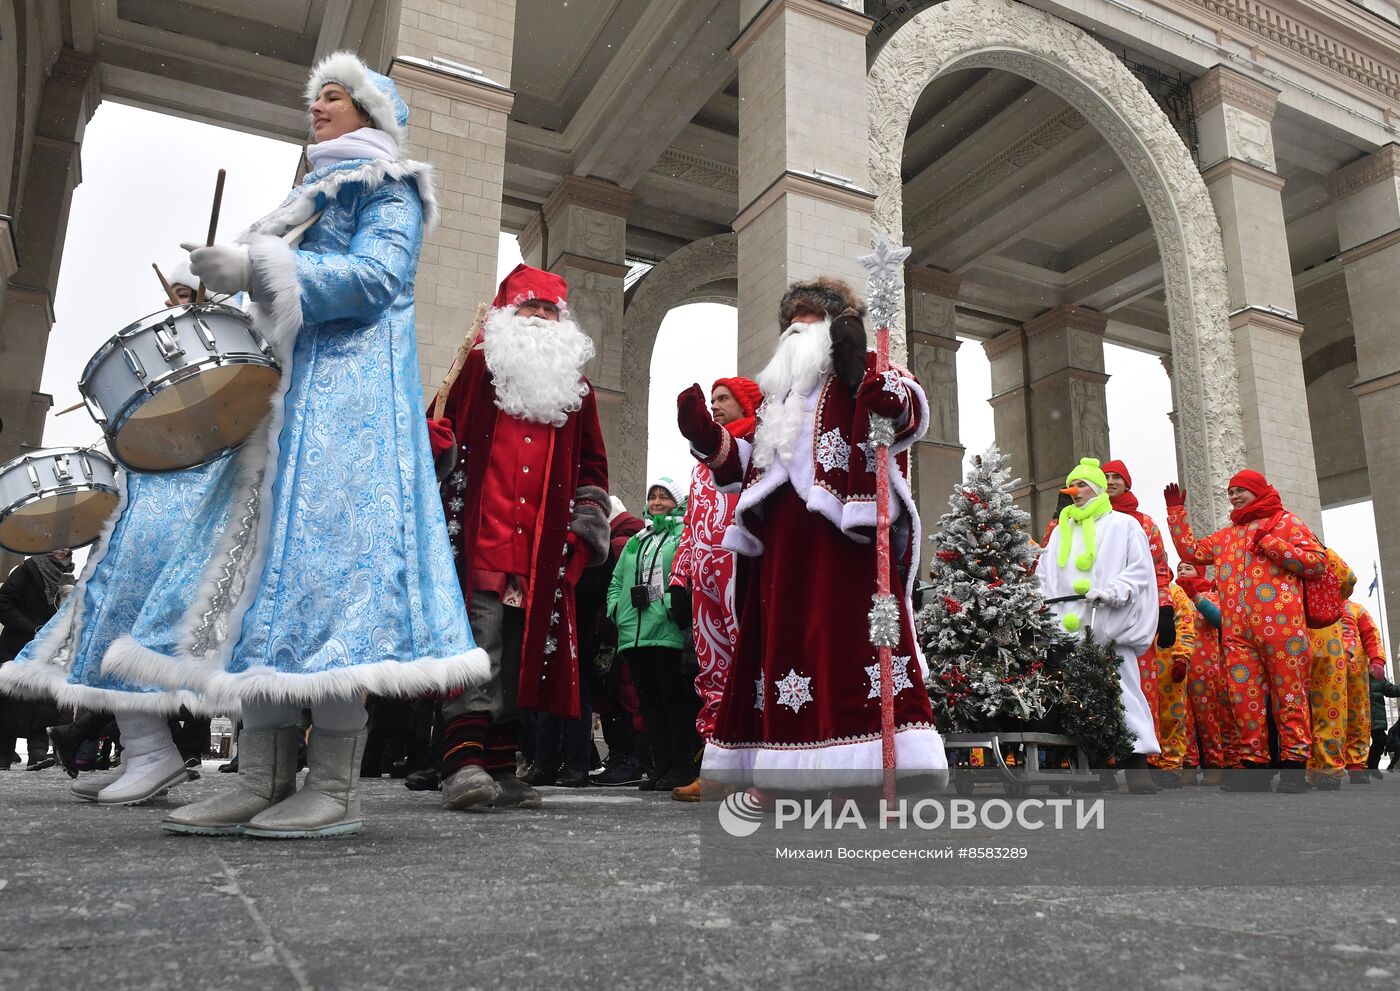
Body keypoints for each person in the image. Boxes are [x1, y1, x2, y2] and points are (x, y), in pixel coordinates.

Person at [11, 52, 487, 837]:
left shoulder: (389, 187)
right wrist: (226, 285)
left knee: (334, 592)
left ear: (371, 113)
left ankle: (334, 783)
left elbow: (373, 279)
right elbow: (271, 295)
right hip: (280, 421)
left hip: (344, 418)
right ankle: (263, 773)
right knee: (255, 593)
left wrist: (260, 263)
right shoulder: (301, 202)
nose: (320, 107)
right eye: (317, 97)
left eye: (335, 96)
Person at [675, 278, 946, 795]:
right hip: (779, 546)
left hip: (841, 541)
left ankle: (871, 769)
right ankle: (781, 770)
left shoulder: (867, 368)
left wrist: (863, 376)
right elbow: (751, 465)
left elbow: (906, 410)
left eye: (810, 322)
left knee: (843, 646)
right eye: (791, 324)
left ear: (834, 329)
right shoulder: (780, 395)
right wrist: (708, 440)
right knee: (781, 653)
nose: (796, 332)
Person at [426, 263, 610, 812]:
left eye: (549, 310)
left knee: (522, 659)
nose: (539, 318)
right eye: (530, 307)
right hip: (479, 539)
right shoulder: (476, 369)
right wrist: (433, 444)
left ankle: (501, 765)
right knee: (479, 648)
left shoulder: (577, 392)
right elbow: (442, 438)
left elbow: (592, 470)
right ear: (507, 313)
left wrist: (585, 531)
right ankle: (463, 764)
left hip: (542, 551)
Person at [1165, 470, 1325, 793]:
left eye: (1241, 491)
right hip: (1237, 632)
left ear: (1258, 491)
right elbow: (1192, 552)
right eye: (1231, 492)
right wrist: (1176, 515)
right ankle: (1255, 768)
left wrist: (1273, 546)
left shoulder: (1285, 523)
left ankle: (1294, 768)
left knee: (1289, 697)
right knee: (1244, 699)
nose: (1235, 496)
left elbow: (1317, 562)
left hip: (1282, 630)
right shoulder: (1225, 537)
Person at [1038, 458, 1161, 793]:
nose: (1074, 492)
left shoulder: (1124, 525)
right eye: (1071, 486)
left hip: (1110, 627)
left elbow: (1139, 570)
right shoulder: (1061, 530)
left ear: (1096, 488)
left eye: (1080, 485)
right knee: (1076, 700)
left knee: (1124, 694)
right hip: (1069, 631)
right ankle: (1091, 771)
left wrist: (1112, 592)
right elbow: (1044, 574)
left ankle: (1138, 767)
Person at [667, 376, 760, 802]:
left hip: (742, 574)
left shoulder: (756, 451)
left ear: (747, 404)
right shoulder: (700, 464)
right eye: (714, 399)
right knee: (712, 671)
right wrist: (680, 577)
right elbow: (691, 524)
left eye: (725, 399)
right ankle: (717, 768)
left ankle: (762, 767)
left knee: (751, 668)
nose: (716, 405)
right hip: (705, 580)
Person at [607, 478, 696, 791]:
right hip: (634, 632)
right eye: (653, 497)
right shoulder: (637, 540)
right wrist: (615, 609)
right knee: (649, 704)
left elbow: (688, 574)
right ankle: (659, 768)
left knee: (674, 700)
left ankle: (682, 767)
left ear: (677, 502)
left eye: (664, 497)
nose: (657, 502)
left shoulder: (683, 534)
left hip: (667, 630)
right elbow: (617, 580)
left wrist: (673, 605)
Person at [1101, 460, 1176, 783]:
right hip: (1101, 615)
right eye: (1105, 477)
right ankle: (1104, 756)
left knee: (1144, 690)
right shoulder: (1093, 523)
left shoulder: (1144, 524)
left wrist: (1165, 609)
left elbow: (1160, 569)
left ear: (1127, 483)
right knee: (1101, 688)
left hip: (1137, 619)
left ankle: (1147, 759)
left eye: (1117, 477)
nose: (1110, 482)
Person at [0, 550, 74, 768]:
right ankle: (3, 754)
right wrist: (32, 628)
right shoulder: (27, 570)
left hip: (48, 648)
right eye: (58, 544)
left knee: (44, 698)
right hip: (17, 643)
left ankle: (38, 752)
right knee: (10, 698)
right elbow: (3, 603)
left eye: (67, 545)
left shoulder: (68, 574)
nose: (63, 548)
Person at [1174, 562, 1238, 782]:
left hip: (1207, 666)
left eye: (1188, 568)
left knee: (1209, 718)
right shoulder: (1173, 596)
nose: (1182, 571)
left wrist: (1196, 597)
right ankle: (1188, 765)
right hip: (1180, 663)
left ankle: (1215, 764)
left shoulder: (1211, 595)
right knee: (1183, 718)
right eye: (1179, 568)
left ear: (1199, 572)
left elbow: (1220, 621)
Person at [1303, 551, 1358, 790]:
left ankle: (1304, 768)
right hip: (1327, 636)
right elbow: (1348, 579)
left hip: (1290, 637)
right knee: (1330, 706)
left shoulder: (1277, 555)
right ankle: (1328, 768)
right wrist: (1330, 598)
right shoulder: (1323, 554)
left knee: (1296, 707)